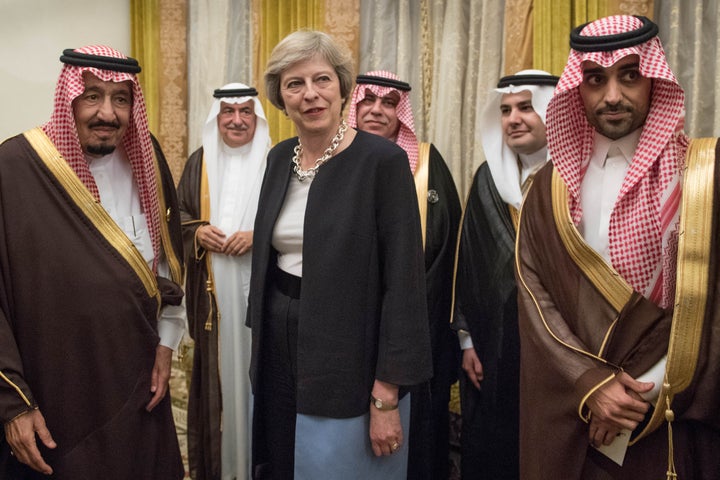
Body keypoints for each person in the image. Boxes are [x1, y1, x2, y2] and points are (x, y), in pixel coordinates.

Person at [515, 15, 720, 479]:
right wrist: (589, 385)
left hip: (672, 412)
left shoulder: (704, 177)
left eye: (630, 75)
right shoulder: (547, 188)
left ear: (654, 81)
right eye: (595, 79)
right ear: (576, 89)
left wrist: (651, 389)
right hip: (582, 415)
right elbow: (535, 298)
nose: (612, 95)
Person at [247, 30, 432, 479]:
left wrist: (386, 393)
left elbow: (403, 283)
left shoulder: (381, 162)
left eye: (322, 80)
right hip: (278, 339)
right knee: (282, 458)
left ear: (342, 87)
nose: (310, 95)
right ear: (280, 96)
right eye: (295, 84)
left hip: (351, 350)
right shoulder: (278, 158)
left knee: (338, 463)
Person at [0, 45, 185, 479]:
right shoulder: (15, 168)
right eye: (92, 96)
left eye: (121, 98)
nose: (108, 113)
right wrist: (12, 403)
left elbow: (165, 264)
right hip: (55, 385)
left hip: (137, 381)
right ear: (68, 100)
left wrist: (168, 340)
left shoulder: (146, 158)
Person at [348, 71, 461, 480]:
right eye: (369, 100)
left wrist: (408, 309)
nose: (377, 110)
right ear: (353, 105)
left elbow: (447, 252)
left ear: (402, 112)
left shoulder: (428, 166)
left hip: (414, 330)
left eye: (390, 102)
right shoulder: (331, 160)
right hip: (346, 331)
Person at [451, 70, 558, 479]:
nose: (514, 118)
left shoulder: (577, 178)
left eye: (527, 108)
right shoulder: (487, 178)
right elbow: (470, 266)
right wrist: (466, 340)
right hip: (495, 345)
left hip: (563, 347)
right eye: (506, 110)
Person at [178, 83, 271, 480]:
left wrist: (258, 236)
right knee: (218, 382)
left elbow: (304, 221)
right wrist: (197, 233)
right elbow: (176, 217)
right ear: (216, 118)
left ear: (258, 117)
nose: (236, 120)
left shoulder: (279, 160)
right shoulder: (198, 163)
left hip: (264, 295)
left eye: (246, 111)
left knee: (264, 380)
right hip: (212, 301)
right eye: (228, 112)